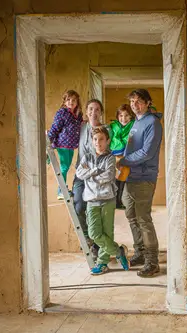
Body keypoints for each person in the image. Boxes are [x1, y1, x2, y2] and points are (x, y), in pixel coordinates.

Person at [117, 89, 163, 278]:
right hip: (130, 177)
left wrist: (124, 160)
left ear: (148, 103)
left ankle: (152, 262)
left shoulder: (152, 122)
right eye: (133, 101)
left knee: (143, 219)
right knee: (131, 215)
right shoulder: (137, 122)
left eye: (139, 101)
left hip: (144, 177)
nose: (135, 105)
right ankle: (141, 253)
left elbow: (147, 152)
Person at [75, 126, 129, 275]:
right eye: (95, 139)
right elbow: (79, 173)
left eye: (101, 139)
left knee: (107, 233)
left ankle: (102, 263)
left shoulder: (110, 157)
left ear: (107, 141)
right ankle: (118, 251)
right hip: (91, 200)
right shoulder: (87, 157)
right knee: (94, 234)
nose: (98, 142)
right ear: (92, 141)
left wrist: (90, 175)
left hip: (107, 200)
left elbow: (109, 176)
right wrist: (95, 171)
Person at [72, 98, 107, 261]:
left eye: (97, 109)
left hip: (98, 175)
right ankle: (88, 239)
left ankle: (98, 246)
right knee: (78, 205)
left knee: (97, 210)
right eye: (91, 109)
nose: (94, 112)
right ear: (86, 112)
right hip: (81, 174)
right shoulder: (81, 127)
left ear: (101, 113)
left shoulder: (106, 130)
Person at [47, 90, 83, 200]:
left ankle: (62, 189)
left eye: (73, 100)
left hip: (71, 146)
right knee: (64, 167)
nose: (71, 102)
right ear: (64, 101)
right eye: (68, 100)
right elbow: (55, 127)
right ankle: (61, 190)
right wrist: (48, 140)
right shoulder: (62, 112)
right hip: (62, 144)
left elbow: (79, 126)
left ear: (77, 102)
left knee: (66, 167)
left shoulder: (78, 114)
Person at [109, 104, 136, 209]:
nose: (123, 118)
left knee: (122, 178)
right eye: (121, 115)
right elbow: (113, 140)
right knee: (113, 178)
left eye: (126, 115)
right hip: (114, 155)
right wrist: (122, 142)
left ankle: (118, 201)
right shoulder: (113, 126)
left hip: (126, 156)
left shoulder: (134, 125)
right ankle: (113, 201)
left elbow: (131, 140)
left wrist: (123, 142)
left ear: (131, 116)